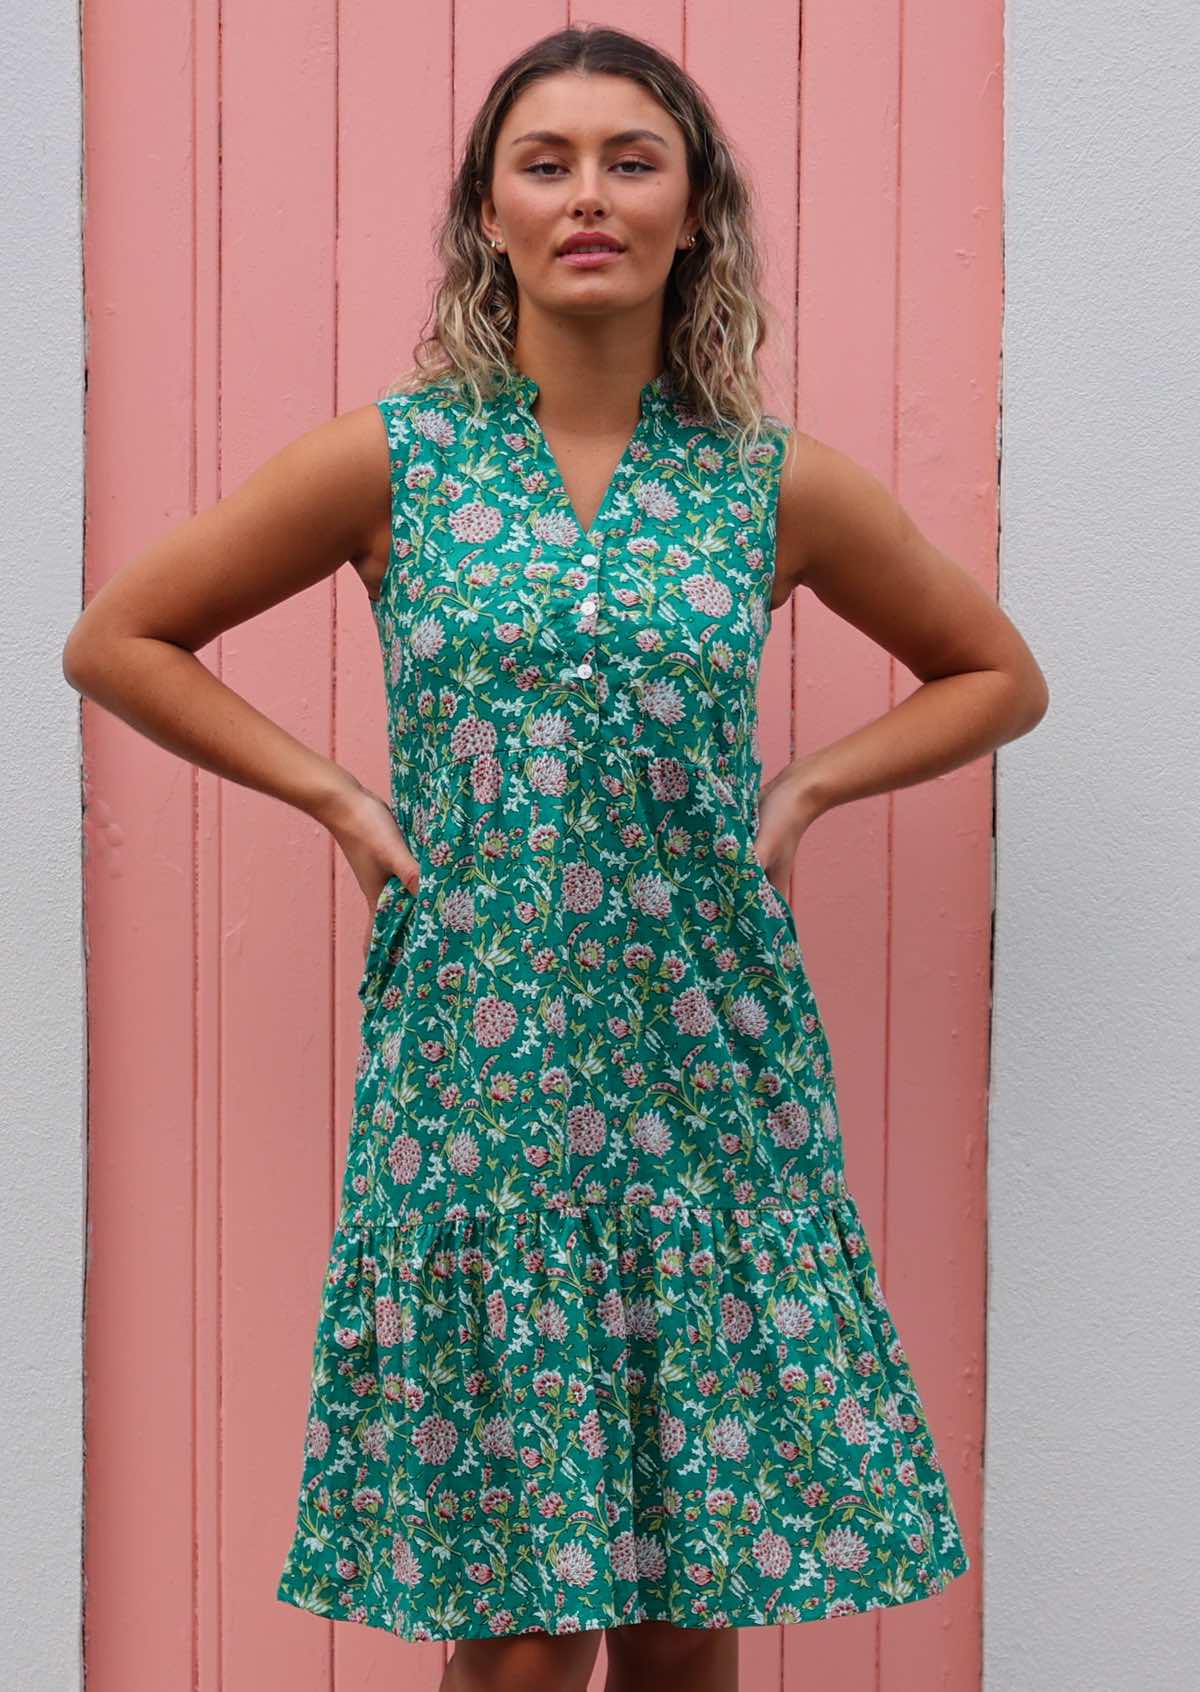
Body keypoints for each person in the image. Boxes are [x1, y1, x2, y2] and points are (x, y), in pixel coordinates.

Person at [62, 22, 1046, 1692]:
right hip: (483, 1073)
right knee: (518, 1631)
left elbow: (997, 675)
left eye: (630, 159)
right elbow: (121, 640)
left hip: (707, 1075)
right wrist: (341, 799)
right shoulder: (397, 459)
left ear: (693, 210)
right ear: (491, 215)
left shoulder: (768, 483)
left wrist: (800, 792)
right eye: (547, 162)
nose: (588, 194)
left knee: (686, 1598)